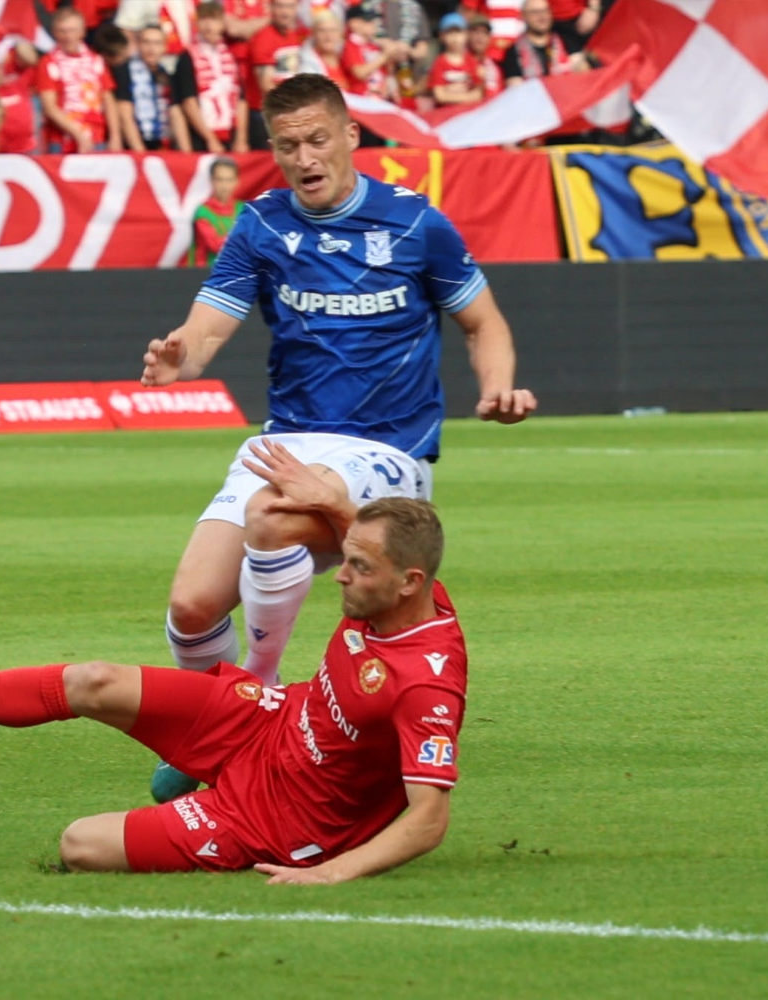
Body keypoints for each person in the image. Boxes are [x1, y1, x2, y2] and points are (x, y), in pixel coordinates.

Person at [139, 73, 535, 801]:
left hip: (389, 451)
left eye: (318, 138)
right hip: (293, 439)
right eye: (287, 145)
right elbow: (204, 331)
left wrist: (496, 387)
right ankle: (219, 739)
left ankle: (255, 705)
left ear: (352, 135)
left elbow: (484, 322)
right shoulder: (259, 226)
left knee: (269, 519)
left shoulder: (416, 224)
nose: (304, 157)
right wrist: (179, 359)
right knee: (192, 606)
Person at [0, 495, 467, 881]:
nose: (341, 577)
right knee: (93, 680)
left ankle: (199, 802)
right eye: (347, 558)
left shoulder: (424, 686)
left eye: (358, 567)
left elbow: (429, 819)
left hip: (282, 815)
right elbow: (376, 532)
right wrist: (327, 499)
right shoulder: (413, 589)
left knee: (80, 844)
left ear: (408, 582)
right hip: (268, 720)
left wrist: (335, 871)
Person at [37, 6, 117, 154]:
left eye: (72, 30)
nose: (68, 36)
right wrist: (78, 134)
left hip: (97, 138)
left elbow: (108, 99)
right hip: (62, 141)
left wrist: (115, 136)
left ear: (82, 32)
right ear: (55, 33)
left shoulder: (96, 60)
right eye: (63, 31)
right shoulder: (48, 62)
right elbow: (49, 107)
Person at [174, 1, 248, 154]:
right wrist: (210, 139)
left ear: (222, 23)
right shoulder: (187, 57)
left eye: (214, 20)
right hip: (202, 137)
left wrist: (241, 138)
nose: (209, 25)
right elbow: (189, 102)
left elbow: (240, 99)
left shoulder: (230, 55)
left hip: (231, 134)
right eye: (203, 19)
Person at [113, 24, 187, 152]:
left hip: (163, 144)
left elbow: (175, 113)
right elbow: (124, 116)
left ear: (164, 47)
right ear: (138, 44)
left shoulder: (165, 74)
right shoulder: (124, 70)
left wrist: (186, 152)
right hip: (135, 148)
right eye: (146, 42)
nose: (151, 48)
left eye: (157, 43)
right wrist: (141, 153)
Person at [245, 0, 306, 148]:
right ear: (270, 8)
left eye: (290, 6)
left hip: (287, 109)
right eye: (280, 6)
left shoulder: (293, 35)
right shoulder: (263, 38)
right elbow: (266, 84)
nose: (285, 12)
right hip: (266, 113)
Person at [190, 155, 240, 266]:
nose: (224, 186)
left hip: (238, 274)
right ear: (211, 181)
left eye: (229, 180)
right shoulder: (203, 212)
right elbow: (216, 246)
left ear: (237, 181)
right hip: (207, 275)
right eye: (220, 180)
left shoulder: (243, 209)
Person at [429, 12, 481, 106]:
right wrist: (467, 97)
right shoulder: (439, 62)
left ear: (466, 34)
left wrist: (450, 95)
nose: (455, 37)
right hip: (447, 114)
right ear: (442, 36)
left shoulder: (471, 61)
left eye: (458, 32)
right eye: (449, 32)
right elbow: (439, 95)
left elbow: (479, 93)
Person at [297, 11, 349, 90]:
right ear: (313, 34)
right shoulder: (307, 64)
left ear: (341, 34)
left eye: (333, 30)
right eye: (322, 30)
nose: (328, 36)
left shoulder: (347, 55)